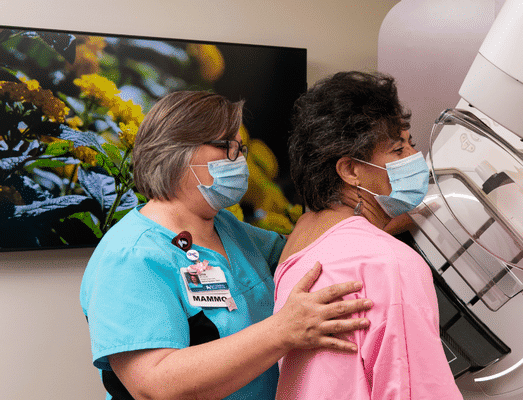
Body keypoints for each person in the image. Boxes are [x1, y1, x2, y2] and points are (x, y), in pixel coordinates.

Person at [80, 90, 374, 400]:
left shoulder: (229, 230)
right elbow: (154, 385)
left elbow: (306, 249)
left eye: (240, 148)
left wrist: (377, 205)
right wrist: (282, 331)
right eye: (226, 147)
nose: (239, 159)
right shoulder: (131, 256)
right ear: (176, 151)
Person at [273, 71, 462, 399]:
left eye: (411, 146)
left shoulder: (300, 243)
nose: (415, 160)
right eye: (398, 151)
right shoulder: (391, 264)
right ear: (350, 170)